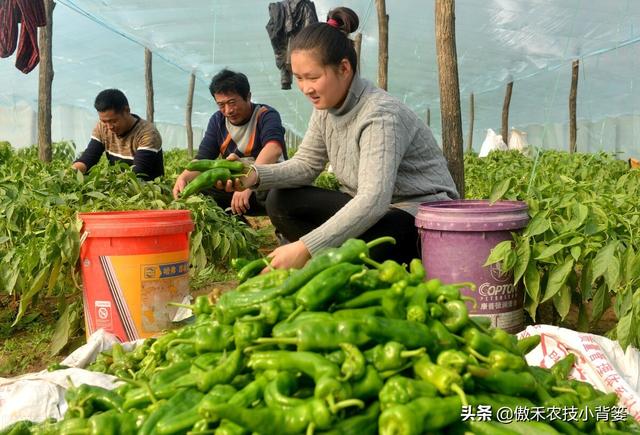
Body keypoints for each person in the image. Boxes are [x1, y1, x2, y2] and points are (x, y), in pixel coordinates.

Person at [219, 7, 459, 269]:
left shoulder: (379, 113)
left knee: (375, 232)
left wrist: (306, 246)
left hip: (419, 220)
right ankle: (343, 263)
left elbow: (374, 200)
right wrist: (253, 175)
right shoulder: (326, 108)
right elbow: (306, 165)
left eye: (313, 77)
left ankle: (339, 263)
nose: (305, 88)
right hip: (378, 212)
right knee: (281, 200)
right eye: (299, 78)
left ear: (344, 68)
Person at [172, 69, 286, 217]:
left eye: (232, 102)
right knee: (201, 187)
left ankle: (282, 228)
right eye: (221, 105)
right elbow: (203, 159)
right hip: (237, 187)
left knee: (279, 195)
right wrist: (183, 178)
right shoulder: (218, 121)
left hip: (267, 184)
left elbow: (273, 149)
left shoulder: (265, 115)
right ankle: (239, 229)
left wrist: (250, 183)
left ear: (248, 96)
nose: (228, 110)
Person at [72, 89, 164, 180]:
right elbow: (89, 158)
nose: (109, 127)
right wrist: (70, 172)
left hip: (146, 190)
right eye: (104, 121)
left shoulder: (147, 133)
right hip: (119, 186)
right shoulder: (102, 127)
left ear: (127, 111)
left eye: (113, 121)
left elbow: (137, 174)